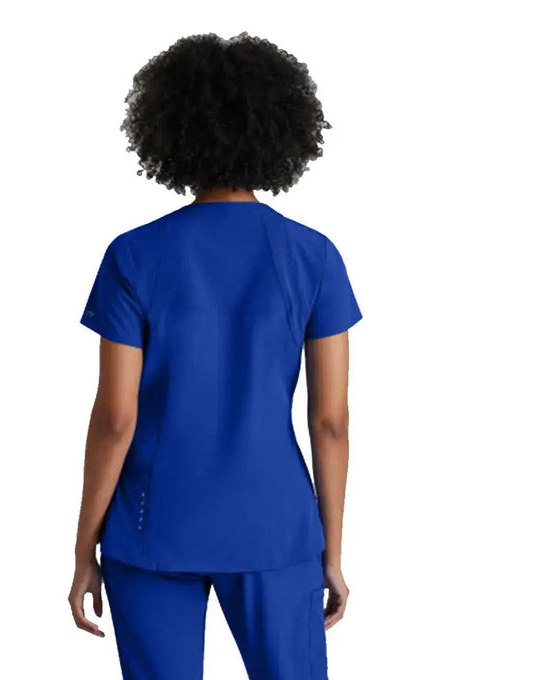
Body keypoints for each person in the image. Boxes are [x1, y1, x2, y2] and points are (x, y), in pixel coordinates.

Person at [69, 31, 363, 680]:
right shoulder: (314, 256)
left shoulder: (133, 255)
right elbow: (331, 422)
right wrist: (333, 553)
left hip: (151, 528)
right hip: (276, 528)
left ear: (170, 131)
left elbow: (116, 419)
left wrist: (84, 546)